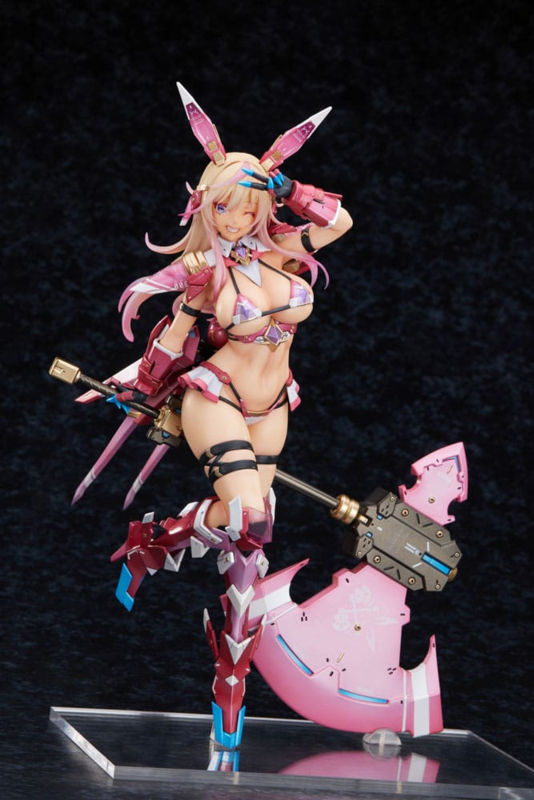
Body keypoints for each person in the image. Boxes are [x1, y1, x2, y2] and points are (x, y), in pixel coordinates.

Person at [111, 84, 353, 750]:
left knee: (252, 537)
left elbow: (339, 222)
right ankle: (231, 678)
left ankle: (157, 542)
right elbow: (167, 351)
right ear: (206, 205)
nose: (240, 219)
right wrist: (184, 314)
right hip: (215, 397)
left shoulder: (283, 250)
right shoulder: (203, 269)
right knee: (250, 515)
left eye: (250, 207)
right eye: (227, 207)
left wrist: (291, 188)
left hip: (273, 406)